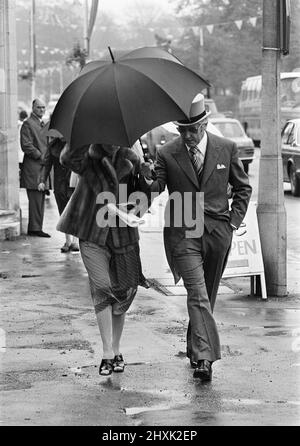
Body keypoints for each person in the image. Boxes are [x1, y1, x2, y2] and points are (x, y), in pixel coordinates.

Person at [140, 93, 252, 381]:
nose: (188, 136)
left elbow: (243, 189)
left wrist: (232, 223)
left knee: (207, 297)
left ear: (204, 124)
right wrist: (146, 177)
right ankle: (205, 359)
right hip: (183, 232)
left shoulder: (226, 148)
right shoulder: (167, 153)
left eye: (193, 129)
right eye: (182, 130)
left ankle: (195, 347)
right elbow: (156, 190)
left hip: (218, 233)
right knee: (198, 294)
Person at [57, 142, 147, 376]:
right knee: (102, 287)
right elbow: (66, 158)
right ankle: (107, 352)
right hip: (92, 234)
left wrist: (140, 196)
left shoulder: (132, 158)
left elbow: (144, 195)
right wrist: (80, 137)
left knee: (123, 291)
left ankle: (116, 349)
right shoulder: (87, 155)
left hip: (123, 234)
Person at [38, 137, 79, 253]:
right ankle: (68, 241)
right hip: (59, 184)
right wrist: (42, 180)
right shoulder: (53, 146)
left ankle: (75, 241)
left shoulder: (78, 143)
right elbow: (46, 164)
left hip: (73, 183)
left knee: (75, 212)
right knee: (63, 213)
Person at [20, 98, 51, 237]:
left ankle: (36, 227)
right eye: (39, 107)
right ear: (33, 108)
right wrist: (40, 155)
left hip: (42, 167)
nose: (42, 110)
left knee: (39, 199)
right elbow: (26, 145)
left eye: (43, 108)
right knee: (35, 199)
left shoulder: (42, 123)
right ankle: (35, 228)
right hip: (34, 167)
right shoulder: (28, 124)